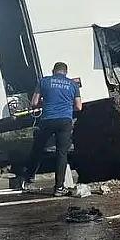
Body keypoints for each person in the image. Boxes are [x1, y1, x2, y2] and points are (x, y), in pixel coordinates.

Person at [23, 61, 82, 196]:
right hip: (65, 121)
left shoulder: (44, 81)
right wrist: (67, 107)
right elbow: (79, 106)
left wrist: (46, 103)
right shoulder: (73, 84)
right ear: (66, 72)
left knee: (38, 148)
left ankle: (29, 178)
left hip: (47, 120)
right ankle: (59, 188)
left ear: (53, 71)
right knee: (61, 153)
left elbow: (34, 103)